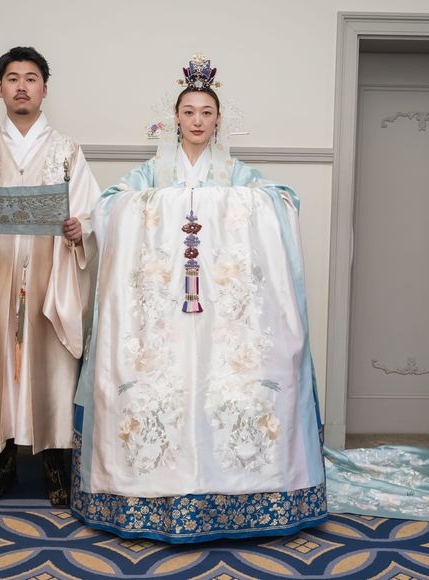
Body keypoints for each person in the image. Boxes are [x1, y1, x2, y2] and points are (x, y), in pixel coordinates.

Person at [71, 55, 327, 542]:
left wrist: (217, 204)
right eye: (188, 112)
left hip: (224, 314)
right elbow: (110, 205)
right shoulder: (152, 174)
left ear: (218, 120)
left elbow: (283, 200)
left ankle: (244, 489)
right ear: (175, 118)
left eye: (206, 112)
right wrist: (163, 206)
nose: (197, 121)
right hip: (163, 315)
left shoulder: (237, 175)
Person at [0, 46, 100, 507]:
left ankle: (54, 467)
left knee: (50, 365)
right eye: (13, 78)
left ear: (45, 89)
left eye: (31, 78)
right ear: (0, 89)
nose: (22, 86)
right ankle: (1, 465)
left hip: (49, 273)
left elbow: (90, 212)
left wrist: (80, 229)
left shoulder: (67, 150)